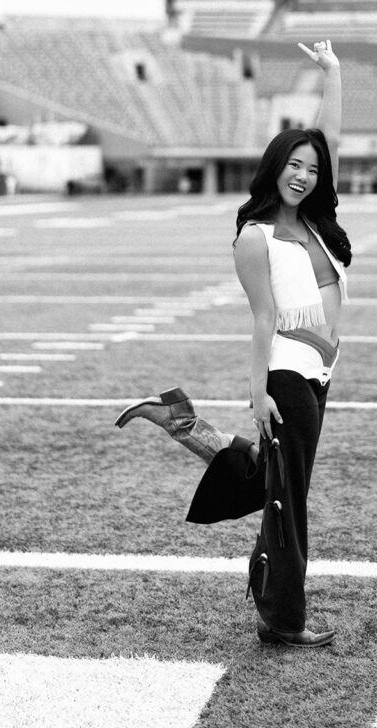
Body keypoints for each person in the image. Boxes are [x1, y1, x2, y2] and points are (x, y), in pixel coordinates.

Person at [115, 39, 351, 649]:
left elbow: (329, 142)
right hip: (288, 376)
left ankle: (181, 421)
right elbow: (263, 317)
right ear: (274, 166)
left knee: (275, 481)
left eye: (312, 169)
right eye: (293, 165)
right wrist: (258, 392)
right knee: (287, 497)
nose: (303, 175)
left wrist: (332, 74)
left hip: (319, 375)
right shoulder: (257, 236)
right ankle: (283, 618)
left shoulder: (316, 223)